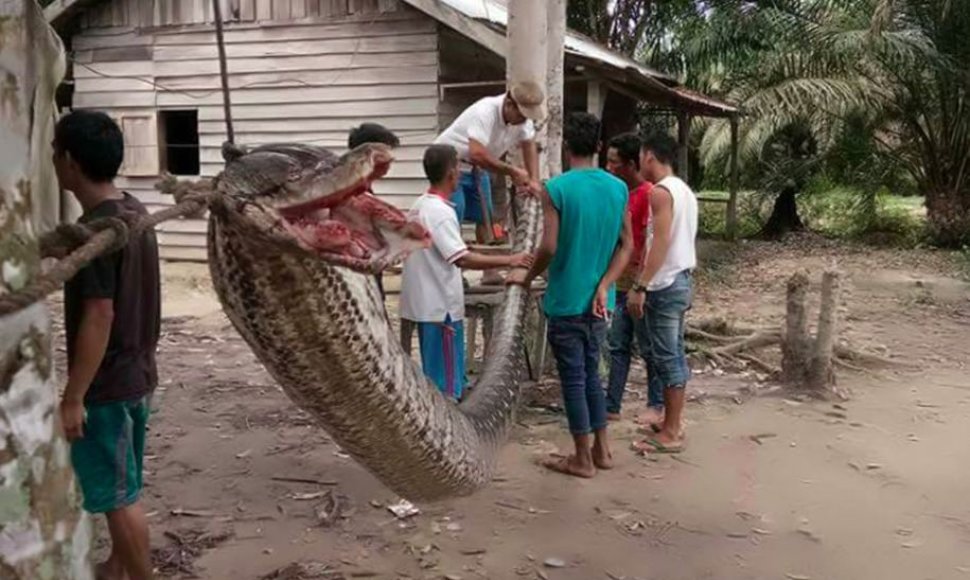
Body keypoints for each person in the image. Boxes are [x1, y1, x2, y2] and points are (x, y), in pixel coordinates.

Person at [53, 110, 160, 580]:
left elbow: (100, 315)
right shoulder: (133, 211)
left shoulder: (100, 230)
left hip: (109, 386)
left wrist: (74, 396)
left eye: (55, 154)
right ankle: (116, 570)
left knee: (119, 498)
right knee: (126, 483)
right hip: (138, 375)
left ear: (70, 161)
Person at [510, 113, 633, 478]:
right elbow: (627, 245)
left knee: (574, 379)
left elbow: (548, 245)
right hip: (600, 302)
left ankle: (581, 458)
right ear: (598, 146)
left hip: (565, 299)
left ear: (566, 147)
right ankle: (602, 450)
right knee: (592, 374)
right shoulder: (617, 188)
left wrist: (529, 274)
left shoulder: (558, 188)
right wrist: (606, 284)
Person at [400, 144, 533, 401]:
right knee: (446, 383)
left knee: (438, 371)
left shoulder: (420, 205)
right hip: (440, 306)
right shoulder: (440, 212)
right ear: (451, 173)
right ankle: (449, 419)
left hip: (424, 303)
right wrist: (511, 259)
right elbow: (461, 259)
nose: (461, 174)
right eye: (458, 169)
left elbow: (447, 249)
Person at [627, 132, 698, 453]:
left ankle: (672, 431)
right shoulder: (684, 191)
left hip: (665, 283)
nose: (639, 162)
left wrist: (641, 285)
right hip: (680, 278)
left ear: (650, 157)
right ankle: (671, 421)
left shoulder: (660, 192)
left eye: (641, 156)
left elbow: (661, 242)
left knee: (667, 356)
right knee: (671, 353)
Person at [433, 82, 544, 283]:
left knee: (486, 219)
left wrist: (533, 179)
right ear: (509, 103)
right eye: (520, 114)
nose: (522, 120)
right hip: (452, 165)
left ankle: (489, 270)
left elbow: (529, 146)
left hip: (479, 168)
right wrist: (512, 171)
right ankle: (454, 272)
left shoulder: (522, 121)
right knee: (452, 216)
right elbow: (477, 153)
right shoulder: (485, 111)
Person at [603, 133, 656, 421]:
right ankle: (612, 404)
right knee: (618, 343)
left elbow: (649, 241)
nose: (609, 167)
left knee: (648, 346)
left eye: (615, 162)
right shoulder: (619, 192)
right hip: (620, 280)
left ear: (632, 164)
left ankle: (656, 404)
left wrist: (642, 284)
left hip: (639, 282)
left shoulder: (648, 194)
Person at [347, 122, 401, 302]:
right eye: (385, 152)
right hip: (357, 282)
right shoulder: (350, 191)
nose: (390, 159)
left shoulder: (363, 187)